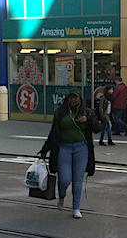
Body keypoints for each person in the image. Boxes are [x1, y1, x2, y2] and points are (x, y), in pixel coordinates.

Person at [38, 88, 101, 219]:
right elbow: (53, 133)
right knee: (64, 178)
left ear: (80, 99)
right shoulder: (60, 112)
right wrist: (45, 149)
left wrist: (88, 119)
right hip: (64, 148)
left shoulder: (87, 112)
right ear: (68, 98)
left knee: (78, 179)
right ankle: (62, 195)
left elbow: (97, 129)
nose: (73, 99)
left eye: (76, 97)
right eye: (71, 97)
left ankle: (76, 208)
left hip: (81, 148)